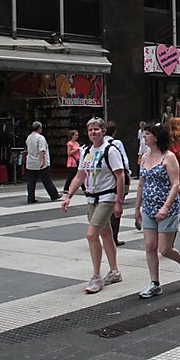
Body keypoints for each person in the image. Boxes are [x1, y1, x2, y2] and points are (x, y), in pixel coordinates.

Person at [62, 117, 124, 294]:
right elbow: (80, 175)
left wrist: (118, 202)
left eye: (97, 129)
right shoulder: (86, 151)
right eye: (90, 130)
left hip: (107, 197)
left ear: (104, 131)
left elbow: (120, 176)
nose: (93, 132)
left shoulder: (110, 150)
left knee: (91, 234)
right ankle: (114, 271)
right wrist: (69, 196)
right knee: (106, 233)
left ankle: (96, 276)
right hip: (91, 198)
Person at [134, 123, 180, 299]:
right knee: (149, 246)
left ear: (156, 137)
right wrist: (137, 208)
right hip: (149, 207)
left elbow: (175, 184)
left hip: (167, 208)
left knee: (165, 249)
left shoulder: (169, 157)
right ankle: (154, 283)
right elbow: (141, 183)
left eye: (147, 134)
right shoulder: (145, 157)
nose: (144, 137)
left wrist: (166, 206)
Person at [104, 121, 131, 246]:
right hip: (117, 179)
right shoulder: (117, 143)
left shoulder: (99, 143)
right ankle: (113, 236)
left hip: (103, 181)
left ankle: (105, 235)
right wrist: (128, 175)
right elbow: (124, 161)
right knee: (116, 209)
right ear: (114, 132)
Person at [25, 121, 61, 204]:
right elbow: (42, 150)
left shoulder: (29, 137)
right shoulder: (40, 138)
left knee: (31, 181)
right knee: (46, 180)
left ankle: (31, 198)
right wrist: (42, 161)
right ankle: (54, 195)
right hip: (39, 162)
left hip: (30, 162)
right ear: (39, 128)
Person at [64, 130, 81, 194]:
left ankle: (67, 187)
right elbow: (69, 153)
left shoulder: (77, 143)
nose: (77, 136)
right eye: (75, 135)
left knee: (75, 174)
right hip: (72, 160)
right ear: (72, 136)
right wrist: (77, 150)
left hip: (77, 160)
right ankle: (66, 187)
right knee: (72, 174)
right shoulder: (69, 143)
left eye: (77, 135)